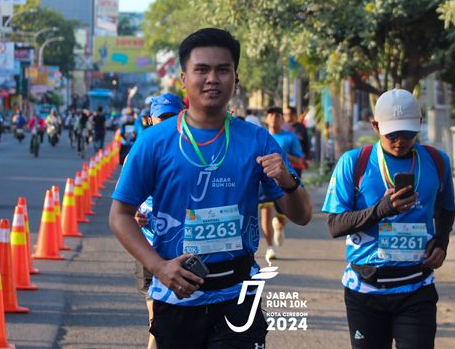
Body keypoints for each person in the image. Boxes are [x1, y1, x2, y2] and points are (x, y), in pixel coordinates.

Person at [109, 28, 312, 349]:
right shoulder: (153, 142)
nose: (212, 79)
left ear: (235, 78)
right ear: (184, 78)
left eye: (223, 70)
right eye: (201, 69)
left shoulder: (258, 140)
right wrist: (158, 267)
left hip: (238, 295)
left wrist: (289, 181)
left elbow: (302, 216)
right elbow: (120, 215)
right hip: (177, 297)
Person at [322, 89, 455, 349]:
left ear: (419, 124)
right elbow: (335, 226)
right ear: (375, 126)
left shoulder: (438, 161)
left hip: (417, 288)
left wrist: (442, 242)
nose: (400, 141)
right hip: (366, 291)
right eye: (392, 134)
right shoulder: (354, 162)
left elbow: (447, 208)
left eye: (407, 133)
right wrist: (380, 209)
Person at [132, 93, 185, 349]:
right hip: (149, 247)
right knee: (157, 320)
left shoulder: (194, 151)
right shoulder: (141, 149)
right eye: (161, 117)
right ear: (150, 120)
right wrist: (134, 214)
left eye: (172, 117)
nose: (167, 123)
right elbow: (124, 200)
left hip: (184, 248)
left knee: (176, 321)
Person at [259, 106, 305, 262]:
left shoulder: (290, 138)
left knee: (283, 216)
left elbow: (299, 160)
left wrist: (282, 155)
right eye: (271, 115)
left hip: (284, 183)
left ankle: (279, 224)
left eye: (278, 115)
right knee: (265, 210)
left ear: (282, 119)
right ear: (267, 119)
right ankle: (269, 247)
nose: (274, 118)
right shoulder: (260, 137)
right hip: (264, 182)